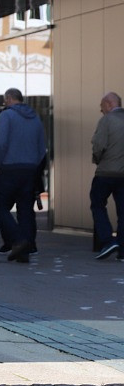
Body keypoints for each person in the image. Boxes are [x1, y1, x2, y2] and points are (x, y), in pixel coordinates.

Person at [0, 88, 47, 264]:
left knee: (0, 206)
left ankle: (17, 240)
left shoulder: (7, 116)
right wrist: (33, 166)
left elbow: (1, 143)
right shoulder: (36, 117)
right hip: (30, 169)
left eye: (4, 100)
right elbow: (41, 148)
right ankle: (26, 249)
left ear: (8, 99)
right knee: (25, 210)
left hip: (9, 168)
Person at [90, 91, 124, 260]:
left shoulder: (107, 120)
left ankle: (107, 240)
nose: (101, 110)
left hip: (106, 172)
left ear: (110, 104)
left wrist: (96, 159)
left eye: (102, 106)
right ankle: (122, 248)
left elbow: (98, 145)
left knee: (97, 204)